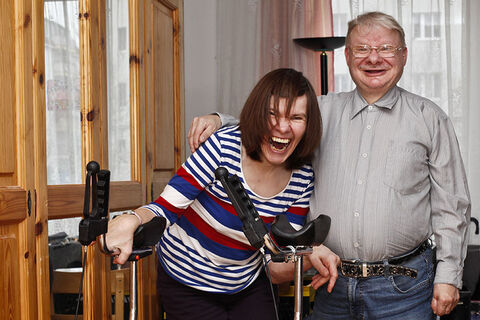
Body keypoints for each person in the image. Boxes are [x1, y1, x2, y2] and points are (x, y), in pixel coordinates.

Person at [187, 11, 471, 320]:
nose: (373, 58)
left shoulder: (430, 119)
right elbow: (272, 128)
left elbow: (451, 207)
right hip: (332, 284)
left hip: (403, 289)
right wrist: (220, 121)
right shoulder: (321, 112)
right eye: (362, 49)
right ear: (348, 56)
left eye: (385, 49)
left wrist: (449, 276)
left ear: (403, 55)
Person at [104, 68, 326, 320]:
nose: (282, 127)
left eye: (296, 117)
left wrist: (310, 255)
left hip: (246, 282)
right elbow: (164, 209)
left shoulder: (302, 177)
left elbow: (277, 265)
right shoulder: (223, 146)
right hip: (186, 277)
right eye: (272, 114)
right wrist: (130, 220)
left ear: (308, 126)